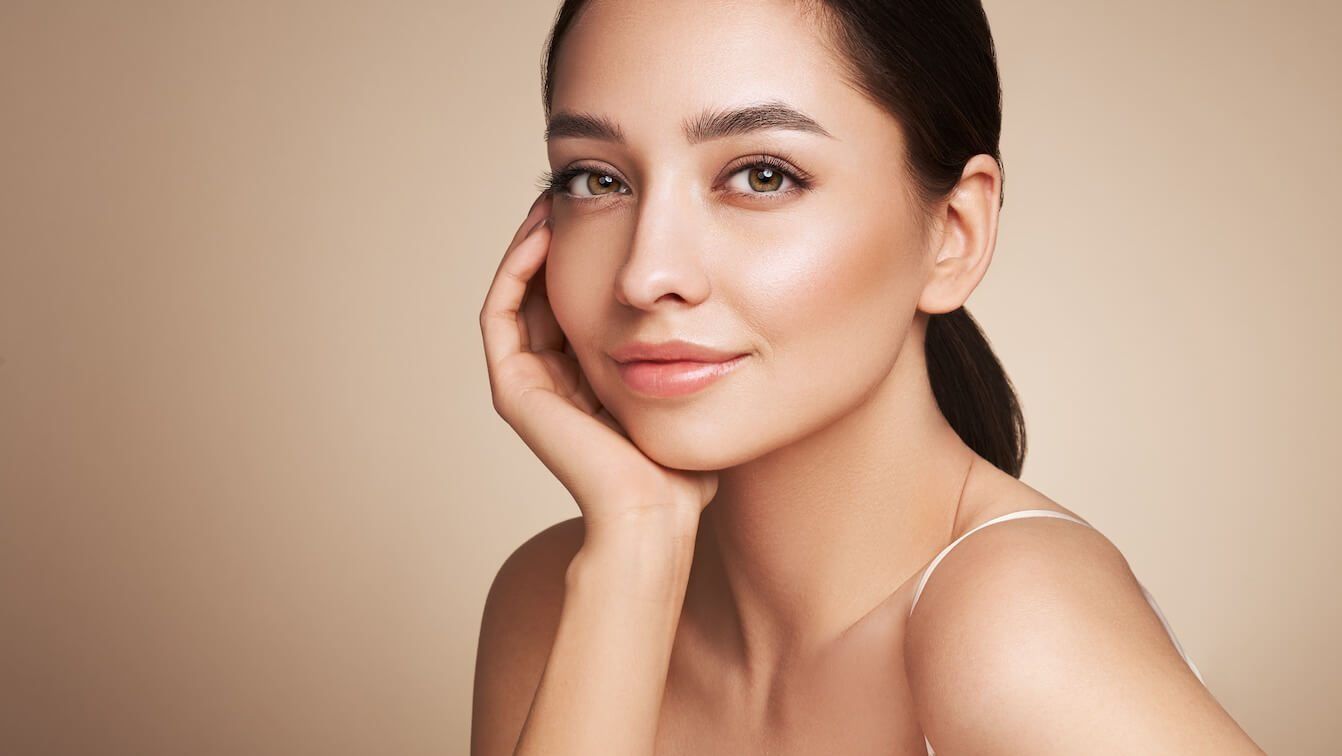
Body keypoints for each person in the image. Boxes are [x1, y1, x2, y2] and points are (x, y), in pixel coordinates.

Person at [474, 0, 1265, 753]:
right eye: (596, 179)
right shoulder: (558, 595)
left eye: (761, 176)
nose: (646, 275)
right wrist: (636, 545)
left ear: (953, 235)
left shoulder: (1015, 620)